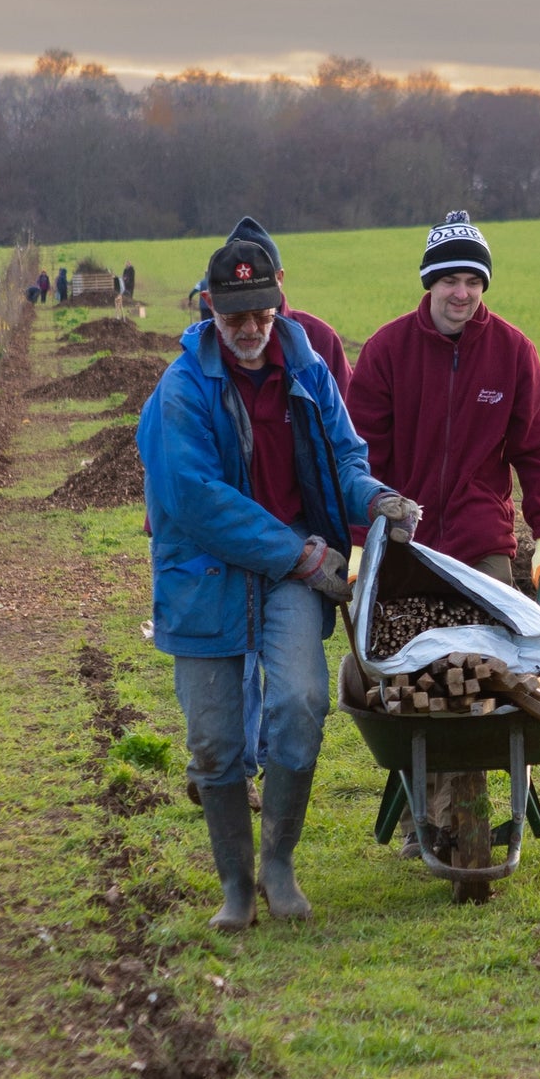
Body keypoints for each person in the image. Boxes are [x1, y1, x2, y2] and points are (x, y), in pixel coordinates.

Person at [137, 238, 418, 929]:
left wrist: (374, 496)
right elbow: (196, 500)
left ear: (277, 301)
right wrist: (299, 557)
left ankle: (279, 865)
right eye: (235, 314)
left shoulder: (308, 368)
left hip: (295, 569)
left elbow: (344, 454)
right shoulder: (181, 389)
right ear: (210, 307)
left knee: (299, 702)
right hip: (208, 576)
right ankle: (235, 886)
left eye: (261, 310)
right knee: (213, 739)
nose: (250, 327)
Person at [345, 210, 540, 857]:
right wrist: (365, 539)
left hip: (479, 544)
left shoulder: (512, 352)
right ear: (429, 283)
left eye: (473, 280)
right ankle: (429, 813)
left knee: (491, 665)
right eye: (449, 279)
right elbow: (361, 456)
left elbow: (538, 450)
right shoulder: (388, 351)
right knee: (410, 672)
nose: (462, 293)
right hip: (405, 544)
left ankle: (448, 811)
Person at [221, 216, 354, 801]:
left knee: (292, 664)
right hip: (229, 538)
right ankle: (239, 763)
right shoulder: (208, 348)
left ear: (280, 279)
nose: (250, 324)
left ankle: (275, 762)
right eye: (236, 310)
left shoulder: (317, 342)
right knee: (240, 655)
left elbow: (343, 440)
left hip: (300, 529)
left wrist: (351, 531)